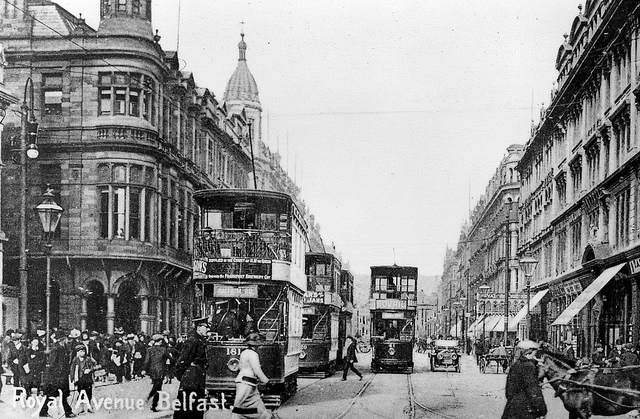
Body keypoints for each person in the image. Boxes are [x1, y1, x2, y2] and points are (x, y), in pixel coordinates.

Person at [173, 316, 209, 419]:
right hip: (191, 377)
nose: (207, 329)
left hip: (197, 376)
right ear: (198, 327)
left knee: (196, 404)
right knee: (188, 405)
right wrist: (182, 375)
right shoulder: (192, 341)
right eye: (205, 327)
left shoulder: (199, 340)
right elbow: (182, 360)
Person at [501, 340, 547, 419]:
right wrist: (542, 410)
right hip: (526, 411)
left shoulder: (516, 364)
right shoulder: (529, 366)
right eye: (535, 351)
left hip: (511, 408)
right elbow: (533, 390)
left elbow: (508, 391)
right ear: (530, 351)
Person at [230, 333, 271, 419]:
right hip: (246, 384)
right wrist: (266, 380)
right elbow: (257, 370)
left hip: (248, 383)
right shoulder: (253, 354)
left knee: (258, 406)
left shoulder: (244, 352)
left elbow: (241, 367)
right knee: (238, 407)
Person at [40, 329, 76, 418]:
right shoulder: (56, 348)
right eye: (65, 338)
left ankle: (44, 412)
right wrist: (54, 374)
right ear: (62, 339)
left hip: (61, 376)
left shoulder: (62, 347)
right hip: (57, 377)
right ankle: (67, 412)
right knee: (54, 394)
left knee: (58, 395)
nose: (67, 340)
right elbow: (52, 363)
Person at [144, 334, 168, 412]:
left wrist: (144, 369)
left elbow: (147, 360)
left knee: (157, 385)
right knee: (158, 387)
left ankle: (151, 399)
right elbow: (170, 358)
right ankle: (153, 403)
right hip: (161, 370)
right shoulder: (164, 349)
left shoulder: (149, 349)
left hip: (153, 370)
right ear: (160, 341)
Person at [70, 344, 96, 414]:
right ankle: (81, 408)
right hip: (79, 379)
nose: (82, 353)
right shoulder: (75, 360)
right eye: (80, 351)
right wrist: (72, 378)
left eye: (83, 351)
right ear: (77, 352)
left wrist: (89, 370)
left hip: (87, 379)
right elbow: (72, 369)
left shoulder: (88, 359)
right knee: (81, 393)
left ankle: (89, 407)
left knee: (89, 393)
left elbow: (93, 367)